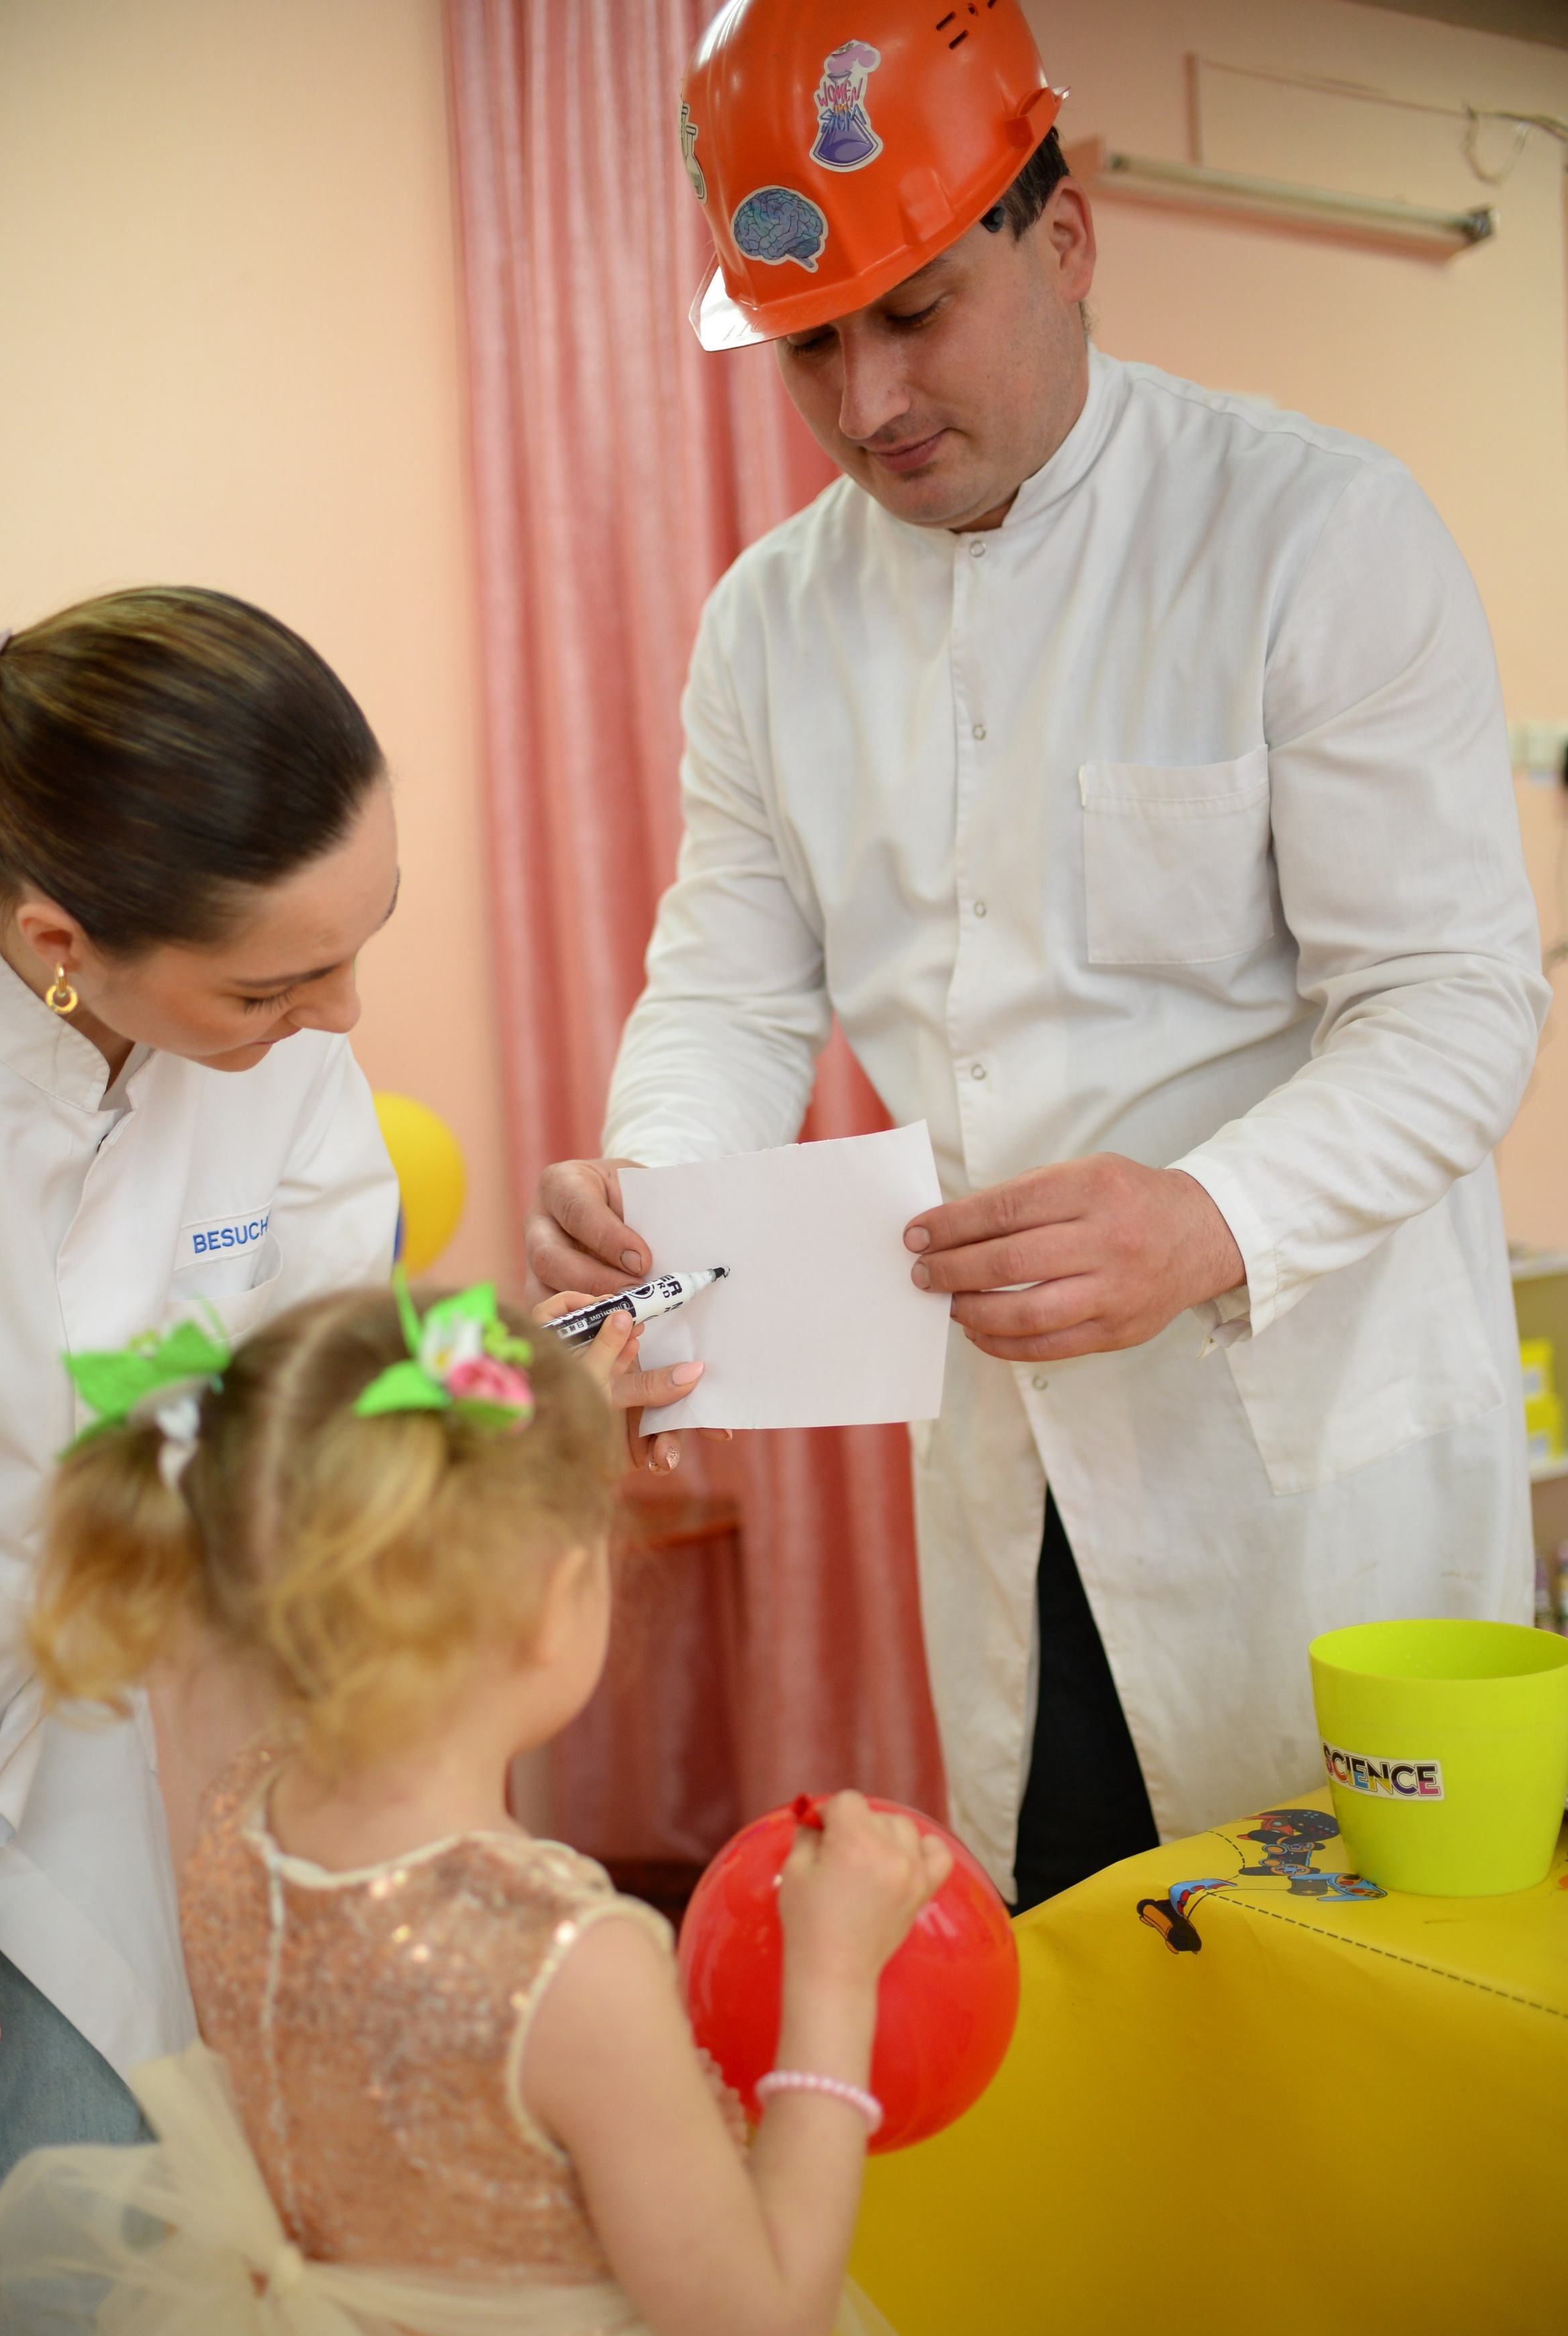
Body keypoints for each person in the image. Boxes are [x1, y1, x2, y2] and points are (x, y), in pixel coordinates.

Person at [525, 0, 1548, 1911]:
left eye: (913, 309)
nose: (866, 399)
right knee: (1084, 1939)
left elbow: (1454, 1000)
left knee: (1362, 2008)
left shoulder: (1311, 533)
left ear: (1061, 240)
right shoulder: (771, 624)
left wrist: (1208, 1216)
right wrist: (654, 1197)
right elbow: (733, 988)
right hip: (1017, 1457)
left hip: (1303, 1432)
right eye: (808, 345)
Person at [0, 587, 703, 2336]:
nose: (339, 1025)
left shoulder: (282, 1071)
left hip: (79, 1754)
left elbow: (293, 1394)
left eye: (359, 951)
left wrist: (531, 1373)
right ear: (64, 941)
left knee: (105, 2317)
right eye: (275, 984)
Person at [0, 1278, 1031, 2336]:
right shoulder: (572, 1963)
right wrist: (827, 1977)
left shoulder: (231, 1820)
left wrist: (518, 1439)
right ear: (550, 1599)